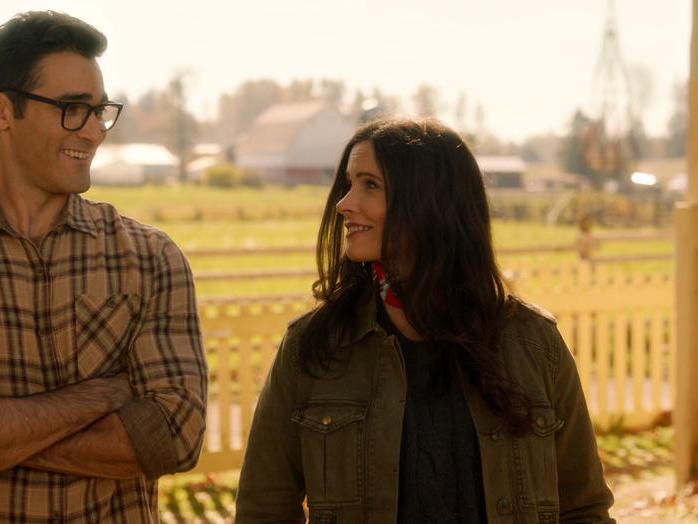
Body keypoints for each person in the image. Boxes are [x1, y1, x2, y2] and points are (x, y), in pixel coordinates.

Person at [0, 11, 206, 523]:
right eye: (73, 109)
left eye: (100, 111)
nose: (94, 132)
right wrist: (107, 393)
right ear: (1, 110)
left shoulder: (150, 258)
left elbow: (174, 439)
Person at [235, 118, 614, 523]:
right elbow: (264, 509)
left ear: (430, 201)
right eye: (349, 183)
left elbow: (584, 509)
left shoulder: (535, 345)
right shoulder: (314, 347)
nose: (345, 203)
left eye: (370, 185)